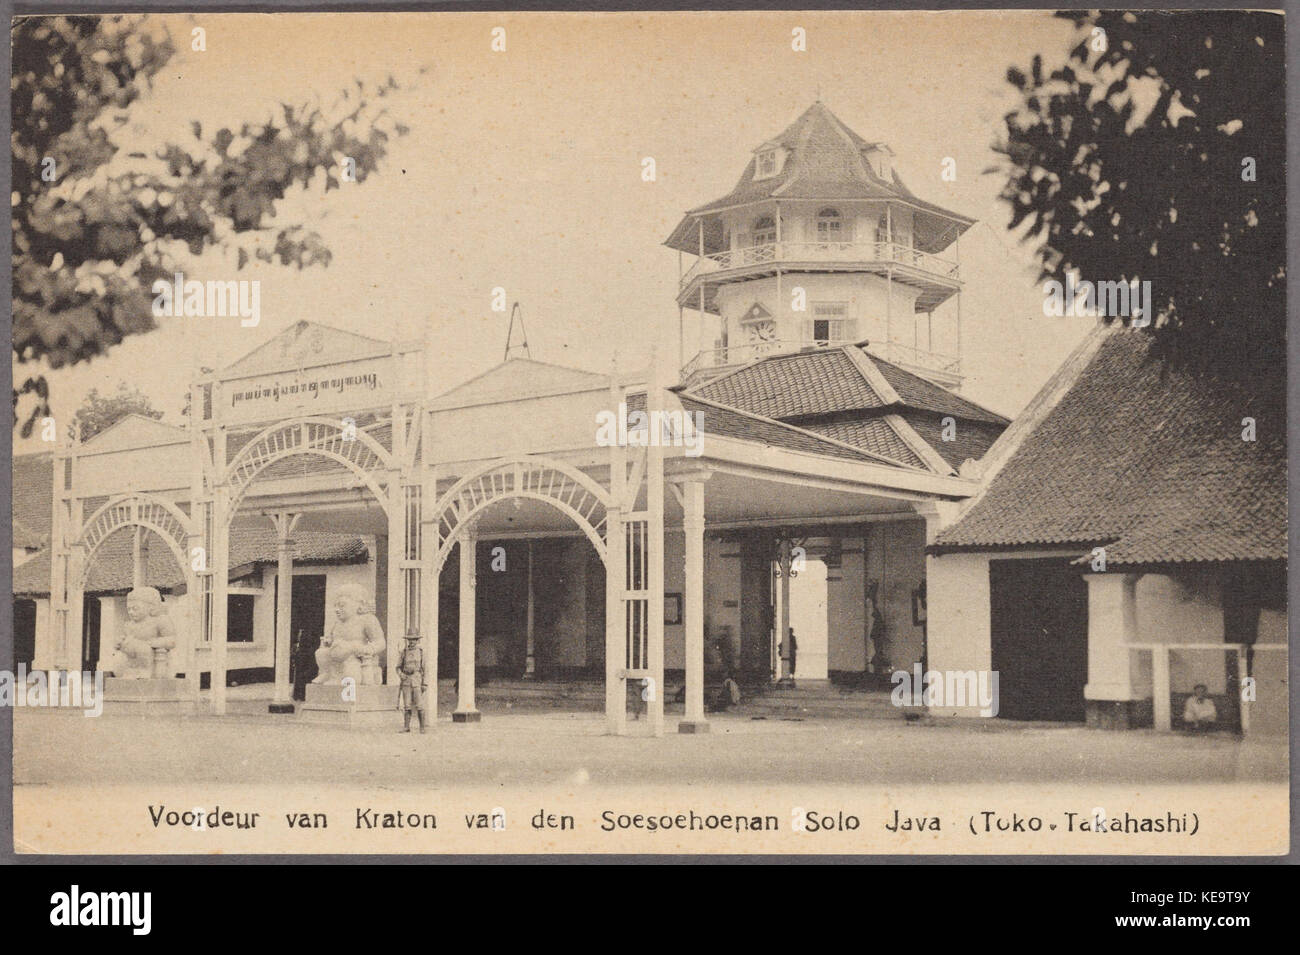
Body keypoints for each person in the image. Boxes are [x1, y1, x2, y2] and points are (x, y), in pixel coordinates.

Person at [396, 633, 427, 733]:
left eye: (414, 639)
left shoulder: (421, 652)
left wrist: (424, 683)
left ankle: (422, 727)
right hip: (406, 680)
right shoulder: (404, 652)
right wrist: (401, 675)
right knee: (407, 705)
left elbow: (425, 669)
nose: (412, 641)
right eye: (410, 640)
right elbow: (398, 667)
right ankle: (406, 727)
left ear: (417, 640)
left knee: (419, 705)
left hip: (417, 680)